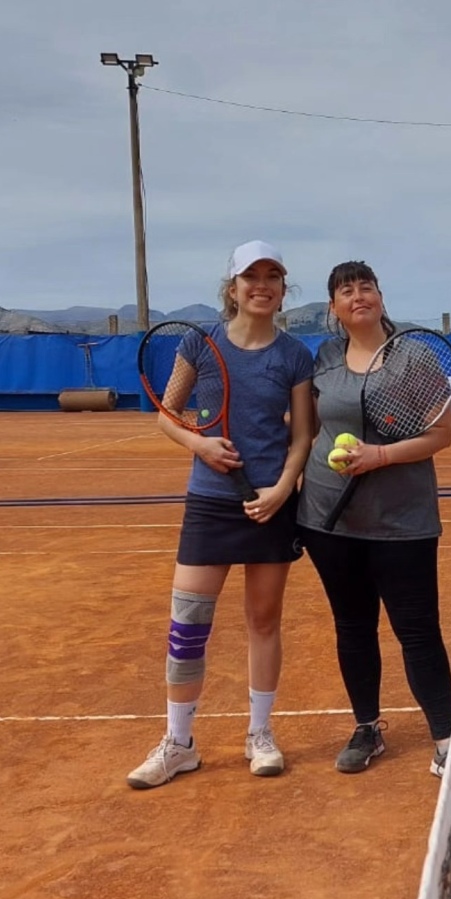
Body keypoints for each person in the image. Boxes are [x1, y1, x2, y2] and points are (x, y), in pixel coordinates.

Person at [127, 240, 315, 789]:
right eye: (250, 277)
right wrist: (200, 445)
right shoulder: (200, 342)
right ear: (231, 288)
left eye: (272, 277)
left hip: (269, 504)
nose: (262, 285)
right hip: (210, 502)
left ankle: (260, 733)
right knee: (187, 625)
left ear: (283, 289)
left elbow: (302, 433)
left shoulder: (294, 355)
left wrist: (283, 488)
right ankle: (178, 743)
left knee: (263, 621)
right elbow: (167, 413)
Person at [297, 261, 451, 777]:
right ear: (333, 307)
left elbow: (441, 435)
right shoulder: (323, 357)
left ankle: (445, 736)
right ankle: (367, 727)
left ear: (381, 298)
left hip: (402, 522)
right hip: (327, 518)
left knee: (417, 630)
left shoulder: (413, 355)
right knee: (353, 626)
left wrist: (379, 457)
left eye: (366, 287)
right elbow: (306, 426)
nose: (358, 295)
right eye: (347, 290)